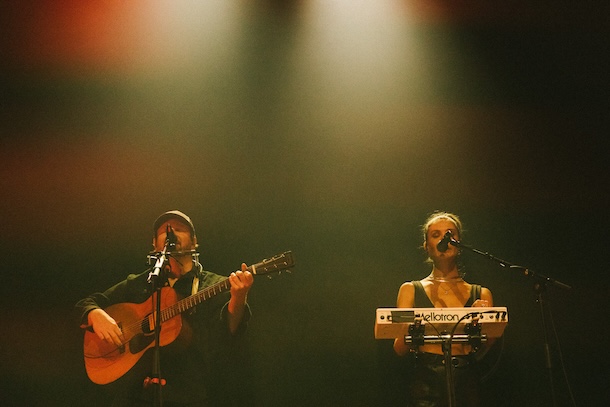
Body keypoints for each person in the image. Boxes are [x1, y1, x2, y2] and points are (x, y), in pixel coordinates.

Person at [75, 210, 254, 407]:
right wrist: (95, 314)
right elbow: (85, 303)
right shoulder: (140, 283)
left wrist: (239, 297)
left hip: (189, 395)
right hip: (136, 397)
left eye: (179, 229)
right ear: (154, 243)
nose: (171, 233)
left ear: (194, 242)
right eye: (164, 231)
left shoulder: (213, 285)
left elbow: (229, 332)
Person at [393, 211, 495, 407]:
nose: (444, 239)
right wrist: (410, 327)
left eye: (450, 234)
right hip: (427, 384)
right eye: (436, 235)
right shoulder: (410, 290)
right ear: (426, 246)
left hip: (467, 383)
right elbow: (399, 348)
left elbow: (486, 347)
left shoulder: (481, 294)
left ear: (459, 243)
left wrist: (484, 323)